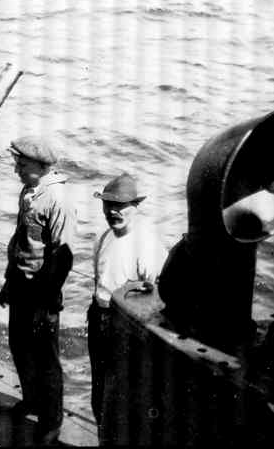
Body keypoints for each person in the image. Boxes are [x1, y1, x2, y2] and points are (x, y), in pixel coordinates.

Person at [0, 135, 77, 445]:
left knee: (46, 361)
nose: (16, 168)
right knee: (20, 347)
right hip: (20, 285)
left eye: (23, 164)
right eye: (17, 162)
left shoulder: (58, 200)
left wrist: (45, 301)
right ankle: (30, 400)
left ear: (42, 166)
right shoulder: (29, 192)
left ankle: (51, 422)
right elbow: (21, 240)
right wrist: (8, 281)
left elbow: (62, 257)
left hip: (41, 292)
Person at [90, 173, 166, 428]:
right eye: (107, 204)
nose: (112, 211)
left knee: (123, 395)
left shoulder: (146, 245)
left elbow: (159, 299)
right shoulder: (103, 237)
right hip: (99, 318)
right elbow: (98, 279)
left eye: (120, 206)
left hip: (127, 329)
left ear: (135, 207)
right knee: (99, 388)